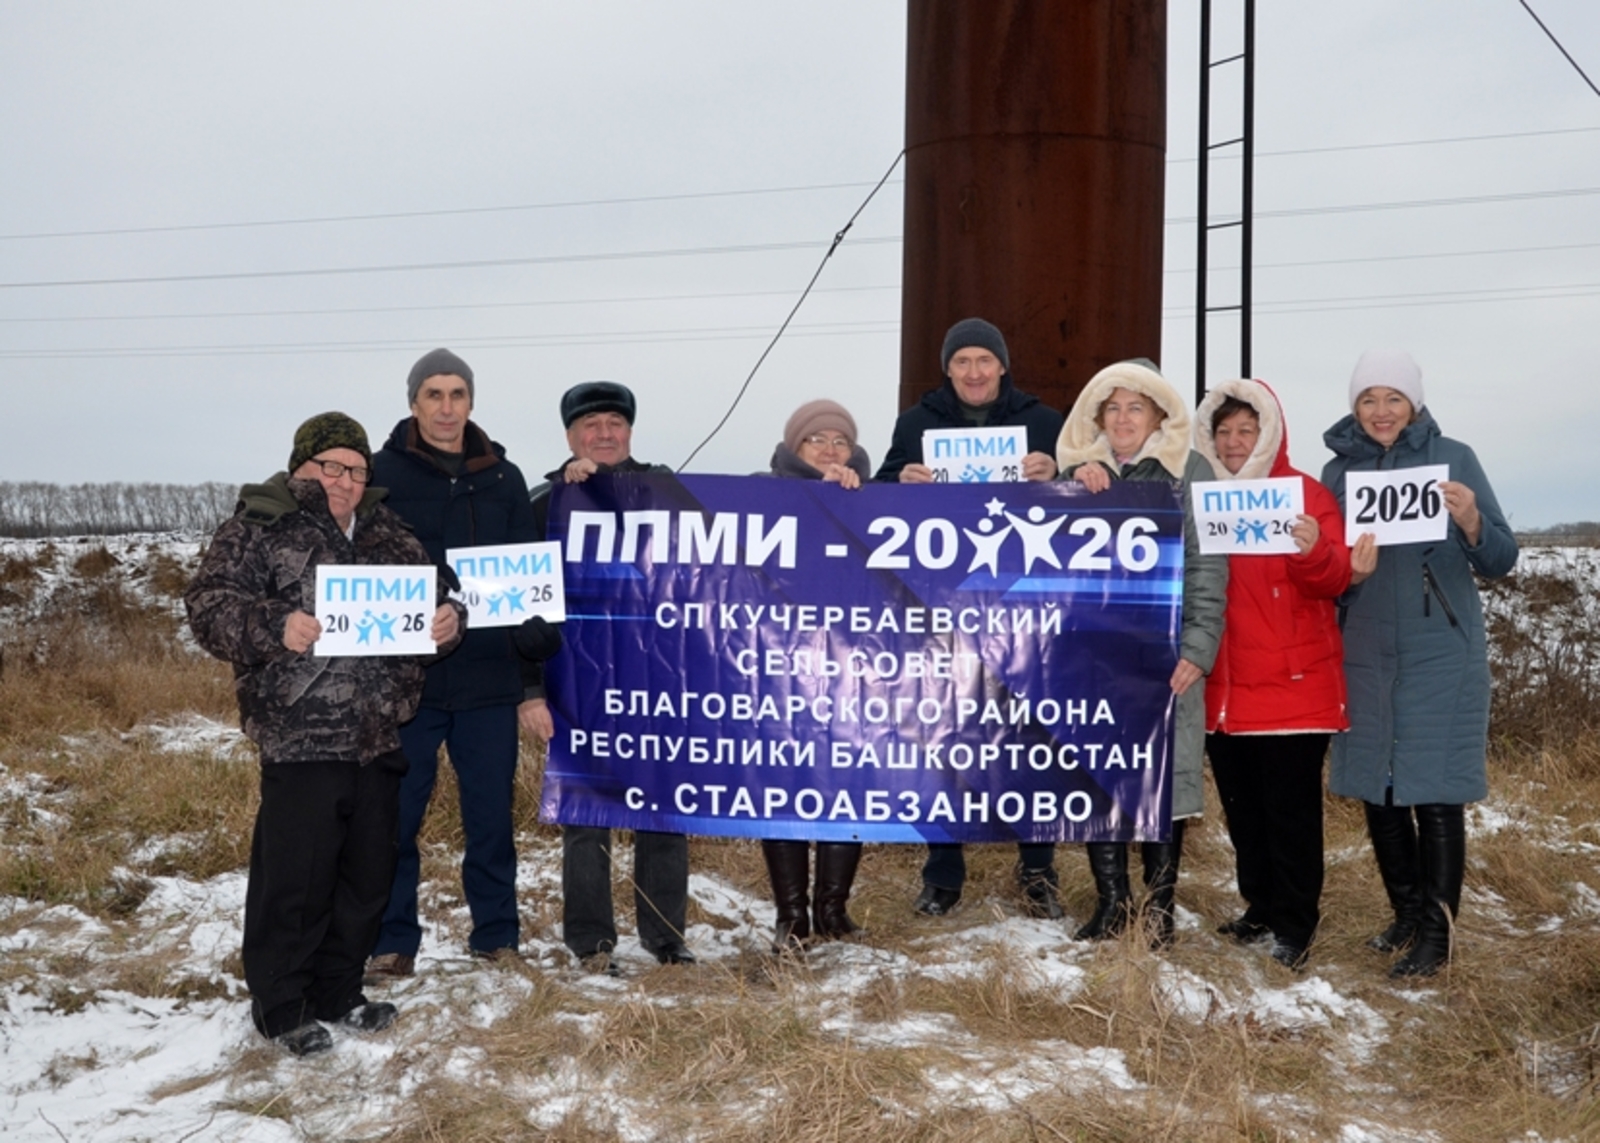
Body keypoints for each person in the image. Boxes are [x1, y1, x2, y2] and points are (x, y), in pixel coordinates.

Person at [185, 413, 464, 1055]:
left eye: (357, 469)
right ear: (302, 467)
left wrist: (452, 622)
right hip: (300, 735)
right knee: (297, 878)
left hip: (379, 733)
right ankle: (282, 1004)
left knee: (366, 876)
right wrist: (273, 623)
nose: (345, 480)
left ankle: (340, 992)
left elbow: (442, 596)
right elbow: (207, 605)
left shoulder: (389, 531)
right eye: (331, 466)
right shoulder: (260, 523)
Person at [367, 349, 561, 980]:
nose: (446, 407)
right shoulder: (379, 474)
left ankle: (497, 937)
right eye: (433, 395)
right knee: (396, 819)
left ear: (471, 403)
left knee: (490, 820)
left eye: (457, 394)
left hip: (486, 682)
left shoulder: (502, 477)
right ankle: (392, 941)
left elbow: (530, 569)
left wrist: (536, 629)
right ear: (413, 403)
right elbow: (363, 568)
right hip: (408, 684)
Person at [1322, 350, 1516, 978]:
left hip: (1440, 652)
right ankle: (1405, 914)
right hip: (1365, 652)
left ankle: (1437, 933)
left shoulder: (1454, 457)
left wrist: (1471, 520)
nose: (1381, 412)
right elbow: (1325, 575)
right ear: (1355, 407)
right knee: (1377, 789)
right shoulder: (1337, 472)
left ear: (1414, 404)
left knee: (1435, 794)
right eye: (1368, 400)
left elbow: (1501, 558)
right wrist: (1346, 576)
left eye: (1393, 398)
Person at [880, 317, 1067, 919]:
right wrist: (899, 481)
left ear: (1003, 366)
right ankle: (943, 874)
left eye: (985, 360)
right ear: (947, 369)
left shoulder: (1043, 422)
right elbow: (873, 505)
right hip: (939, 610)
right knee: (942, 734)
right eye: (962, 362)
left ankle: (1038, 871)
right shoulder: (916, 424)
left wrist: (1057, 475)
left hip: (1024, 611)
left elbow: (1093, 499)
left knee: (1030, 739)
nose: (974, 372)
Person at [1056, 360, 1227, 947]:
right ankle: (1113, 902)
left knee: (1165, 779)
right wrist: (1076, 485)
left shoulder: (1190, 472)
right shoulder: (1077, 471)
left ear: (1159, 415)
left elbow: (1209, 565)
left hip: (1167, 659)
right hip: (1094, 657)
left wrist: (1199, 648)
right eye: (1113, 407)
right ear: (1098, 415)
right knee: (1099, 774)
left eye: (1137, 407)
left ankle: (1158, 911)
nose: (1124, 418)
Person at [531, 381, 694, 971]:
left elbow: (725, 549)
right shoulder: (544, 502)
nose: (604, 434)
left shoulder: (667, 490)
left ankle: (666, 935)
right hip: (579, 684)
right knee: (585, 818)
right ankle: (592, 942)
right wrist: (530, 689)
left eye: (614, 423)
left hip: (660, 679)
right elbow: (520, 600)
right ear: (571, 435)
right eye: (591, 425)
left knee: (664, 812)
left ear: (630, 431)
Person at [1194, 378, 1351, 969]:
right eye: (1224, 431)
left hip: (1292, 689)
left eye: (1246, 430)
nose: (1234, 442)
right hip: (1224, 690)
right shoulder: (1201, 494)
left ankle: (1295, 924)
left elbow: (1334, 578)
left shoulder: (1304, 494)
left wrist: (1312, 549)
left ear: (1270, 434)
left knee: (1290, 818)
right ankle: (1260, 906)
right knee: (1244, 812)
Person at [762, 400, 872, 950]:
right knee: (784, 788)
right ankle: (791, 914)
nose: (829, 451)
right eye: (817, 441)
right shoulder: (764, 493)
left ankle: (833, 907)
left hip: (852, 672)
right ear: (795, 447)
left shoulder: (873, 501)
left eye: (840, 442)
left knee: (847, 784)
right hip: (782, 671)